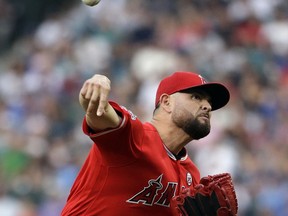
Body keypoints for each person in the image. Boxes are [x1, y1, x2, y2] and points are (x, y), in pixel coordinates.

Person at [61, 71, 230, 216]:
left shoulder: (191, 175)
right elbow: (99, 113)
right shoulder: (134, 137)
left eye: (210, 102)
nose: (207, 106)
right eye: (196, 97)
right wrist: (94, 90)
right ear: (166, 102)